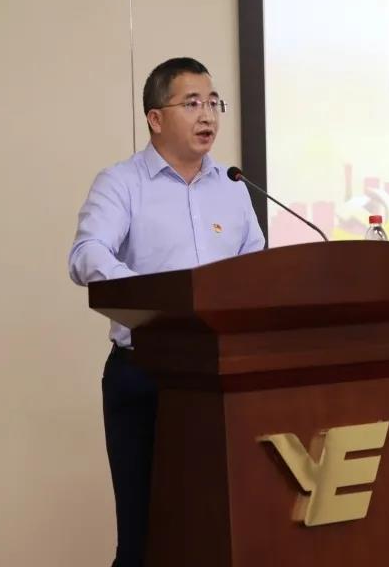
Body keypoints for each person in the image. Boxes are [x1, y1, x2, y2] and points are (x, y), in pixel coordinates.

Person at [68, 57, 265, 566]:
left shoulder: (234, 186)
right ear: (155, 118)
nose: (208, 114)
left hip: (225, 376)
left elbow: (257, 269)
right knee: (147, 537)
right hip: (146, 374)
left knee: (220, 531)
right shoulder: (121, 183)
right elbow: (87, 254)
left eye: (213, 102)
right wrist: (158, 298)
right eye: (192, 103)